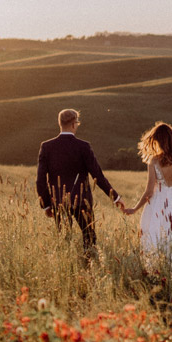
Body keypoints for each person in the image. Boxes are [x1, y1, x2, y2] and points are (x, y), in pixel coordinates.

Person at [35, 108, 122, 252]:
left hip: (58, 201)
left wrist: (46, 205)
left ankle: (66, 267)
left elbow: (40, 179)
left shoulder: (46, 146)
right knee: (89, 237)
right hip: (82, 200)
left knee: (64, 240)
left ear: (60, 124)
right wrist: (115, 197)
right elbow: (97, 176)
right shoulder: (83, 146)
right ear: (74, 124)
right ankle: (89, 266)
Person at [121, 121, 172, 269]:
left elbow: (149, 191)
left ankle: (153, 271)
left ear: (158, 141)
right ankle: (171, 270)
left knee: (153, 237)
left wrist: (134, 209)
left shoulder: (154, 161)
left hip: (157, 203)